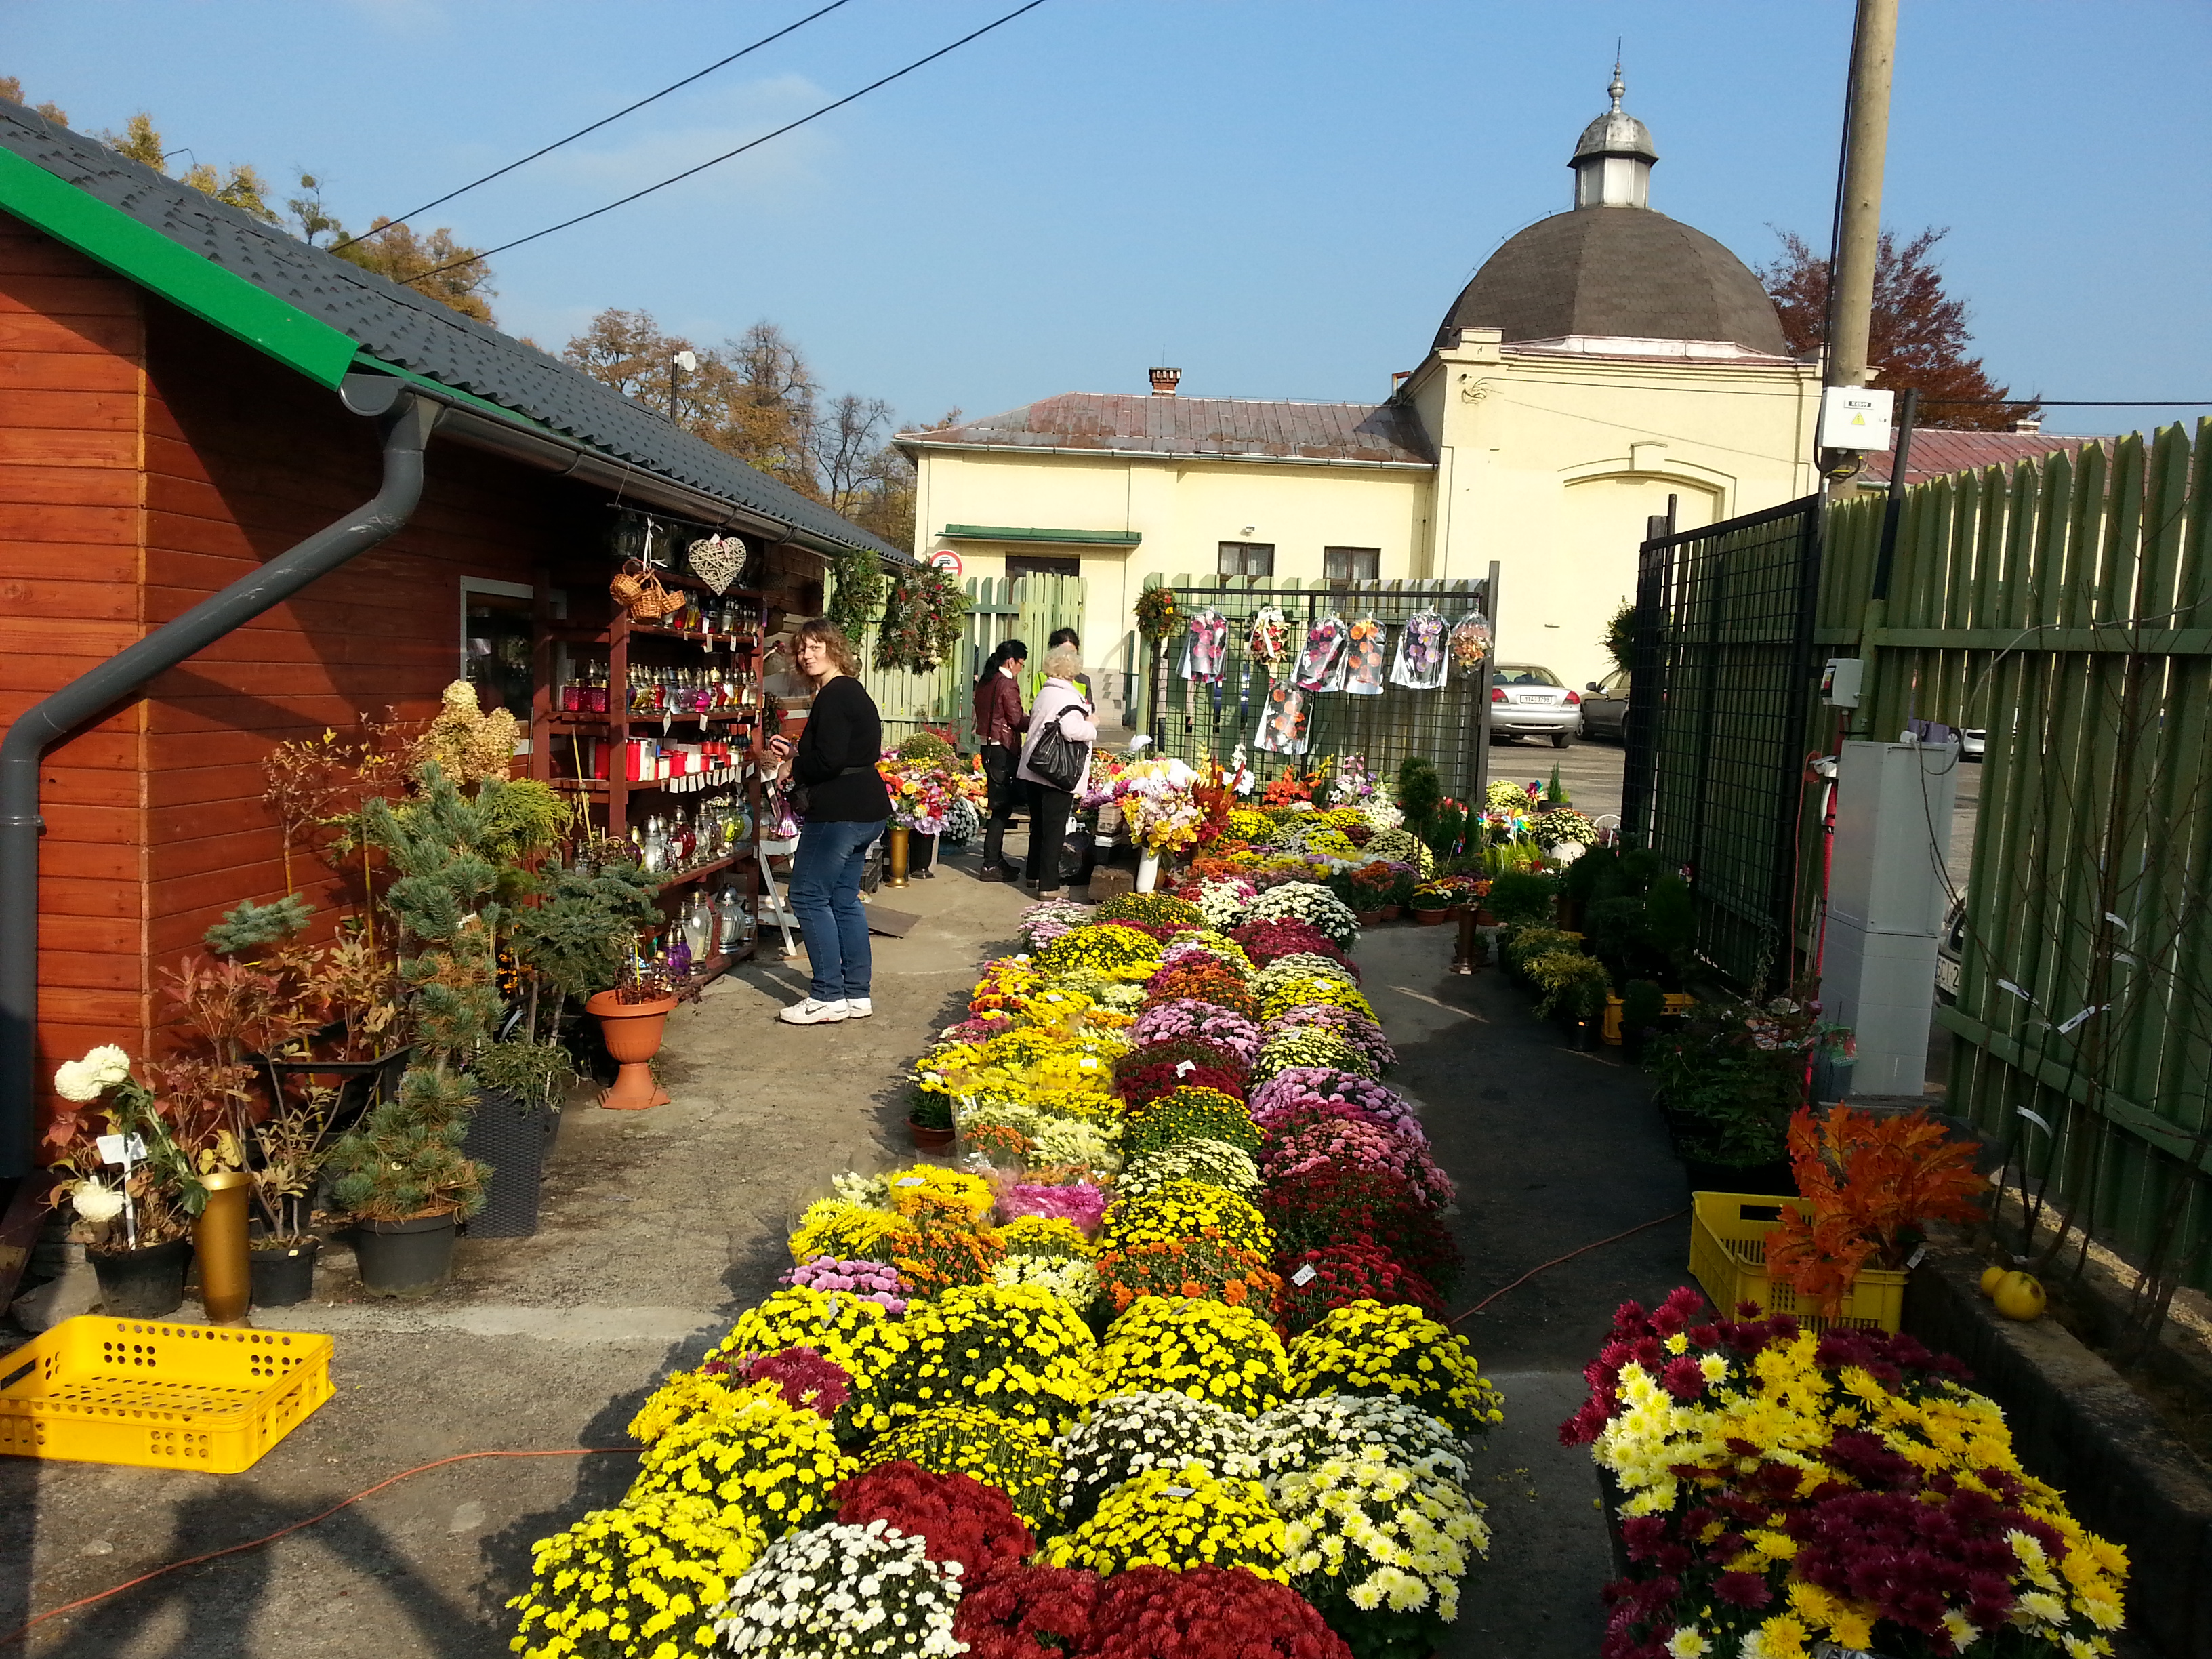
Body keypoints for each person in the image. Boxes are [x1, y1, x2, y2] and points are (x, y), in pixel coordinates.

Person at [764, 619, 891, 1025]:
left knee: (806, 896)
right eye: (802, 649)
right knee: (842, 899)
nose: (808, 655)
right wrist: (800, 751)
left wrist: (791, 766)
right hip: (867, 808)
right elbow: (847, 750)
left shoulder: (834, 696)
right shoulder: (850, 692)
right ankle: (856, 994)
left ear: (835, 649)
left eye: (816, 646)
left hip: (840, 812)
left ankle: (826, 996)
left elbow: (830, 761)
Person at [1016, 645, 1097, 897]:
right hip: (1057, 773)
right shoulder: (1070, 698)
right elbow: (1071, 731)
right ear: (1073, 671)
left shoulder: (1045, 693)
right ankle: (1049, 886)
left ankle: (1033, 874)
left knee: (1038, 827)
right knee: (1054, 829)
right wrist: (1092, 726)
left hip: (1034, 768)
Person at [971, 638, 1029, 882]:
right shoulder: (1007, 684)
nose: (1021, 669)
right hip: (1002, 749)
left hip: (987, 746)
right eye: (1020, 664)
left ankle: (995, 860)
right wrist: (1041, 720)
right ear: (1011, 661)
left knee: (1000, 806)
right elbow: (1016, 720)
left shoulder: (986, 681)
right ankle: (991, 863)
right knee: (1001, 809)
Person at [1046, 627, 1094, 701]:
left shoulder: (1084, 680)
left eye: (1072, 653)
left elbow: (1090, 706)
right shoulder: (1043, 677)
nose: (1068, 658)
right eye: (1064, 653)